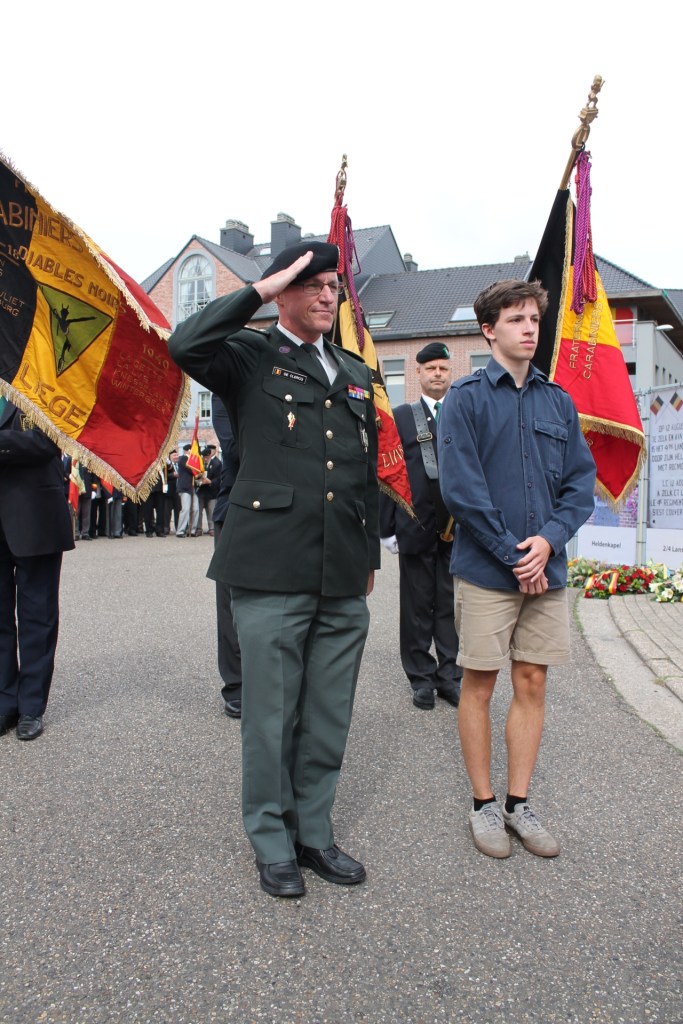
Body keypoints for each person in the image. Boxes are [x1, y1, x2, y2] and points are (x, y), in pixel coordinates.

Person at [169, 240, 380, 898]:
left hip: (341, 568)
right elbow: (184, 344)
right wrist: (259, 291)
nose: (327, 295)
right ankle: (270, 839)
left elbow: (362, 473)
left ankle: (313, 832)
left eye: (333, 286)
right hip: (269, 567)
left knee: (327, 712)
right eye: (311, 283)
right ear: (282, 290)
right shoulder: (249, 356)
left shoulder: (352, 370)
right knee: (270, 714)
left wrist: (369, 557)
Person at [437, 280, 596, 860]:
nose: (529, 328)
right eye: (515, 319)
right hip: (487, 571)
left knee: (532, 682)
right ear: (489, 330)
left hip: (545, 571)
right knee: (479, 684)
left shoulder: (558, 401)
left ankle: (517, 803)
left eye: (534, 319)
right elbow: (462, 490)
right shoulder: (465, 399)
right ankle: (482, 804)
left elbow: (580, 486)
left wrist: (547, 543)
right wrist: (514, 554)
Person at [380, 342, 462, 711]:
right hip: (414, 524)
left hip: (456, 527)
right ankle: (421, 678)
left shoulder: (462, 414)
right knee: (416, 605)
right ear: (419, 373)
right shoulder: (401, 417)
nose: (437, 374)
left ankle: (449, 676)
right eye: (431, 369)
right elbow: (388, 471)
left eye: (443, 368)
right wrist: (386, 527)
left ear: (450, 372)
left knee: (450, 605)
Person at [0, 398, 75, 740]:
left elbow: (46, 441)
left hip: (35, 514)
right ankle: (5, 703)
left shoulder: (41, 380)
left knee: (37, 615)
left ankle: (31, 706)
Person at [211, 394, 242, 719]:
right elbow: (235, 449)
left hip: (287, 510)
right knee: (231, 605)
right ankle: (236, 686)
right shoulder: (225, 395)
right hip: (236, 509)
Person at [176, 444, 199, 537]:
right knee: (185, 509)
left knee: (196, 509)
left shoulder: (194, 460)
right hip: (185, 488)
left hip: (193, 487)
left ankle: (192, 530)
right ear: (188, 451)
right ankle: (180, 531)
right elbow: (191, 469)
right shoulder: (183, 459)